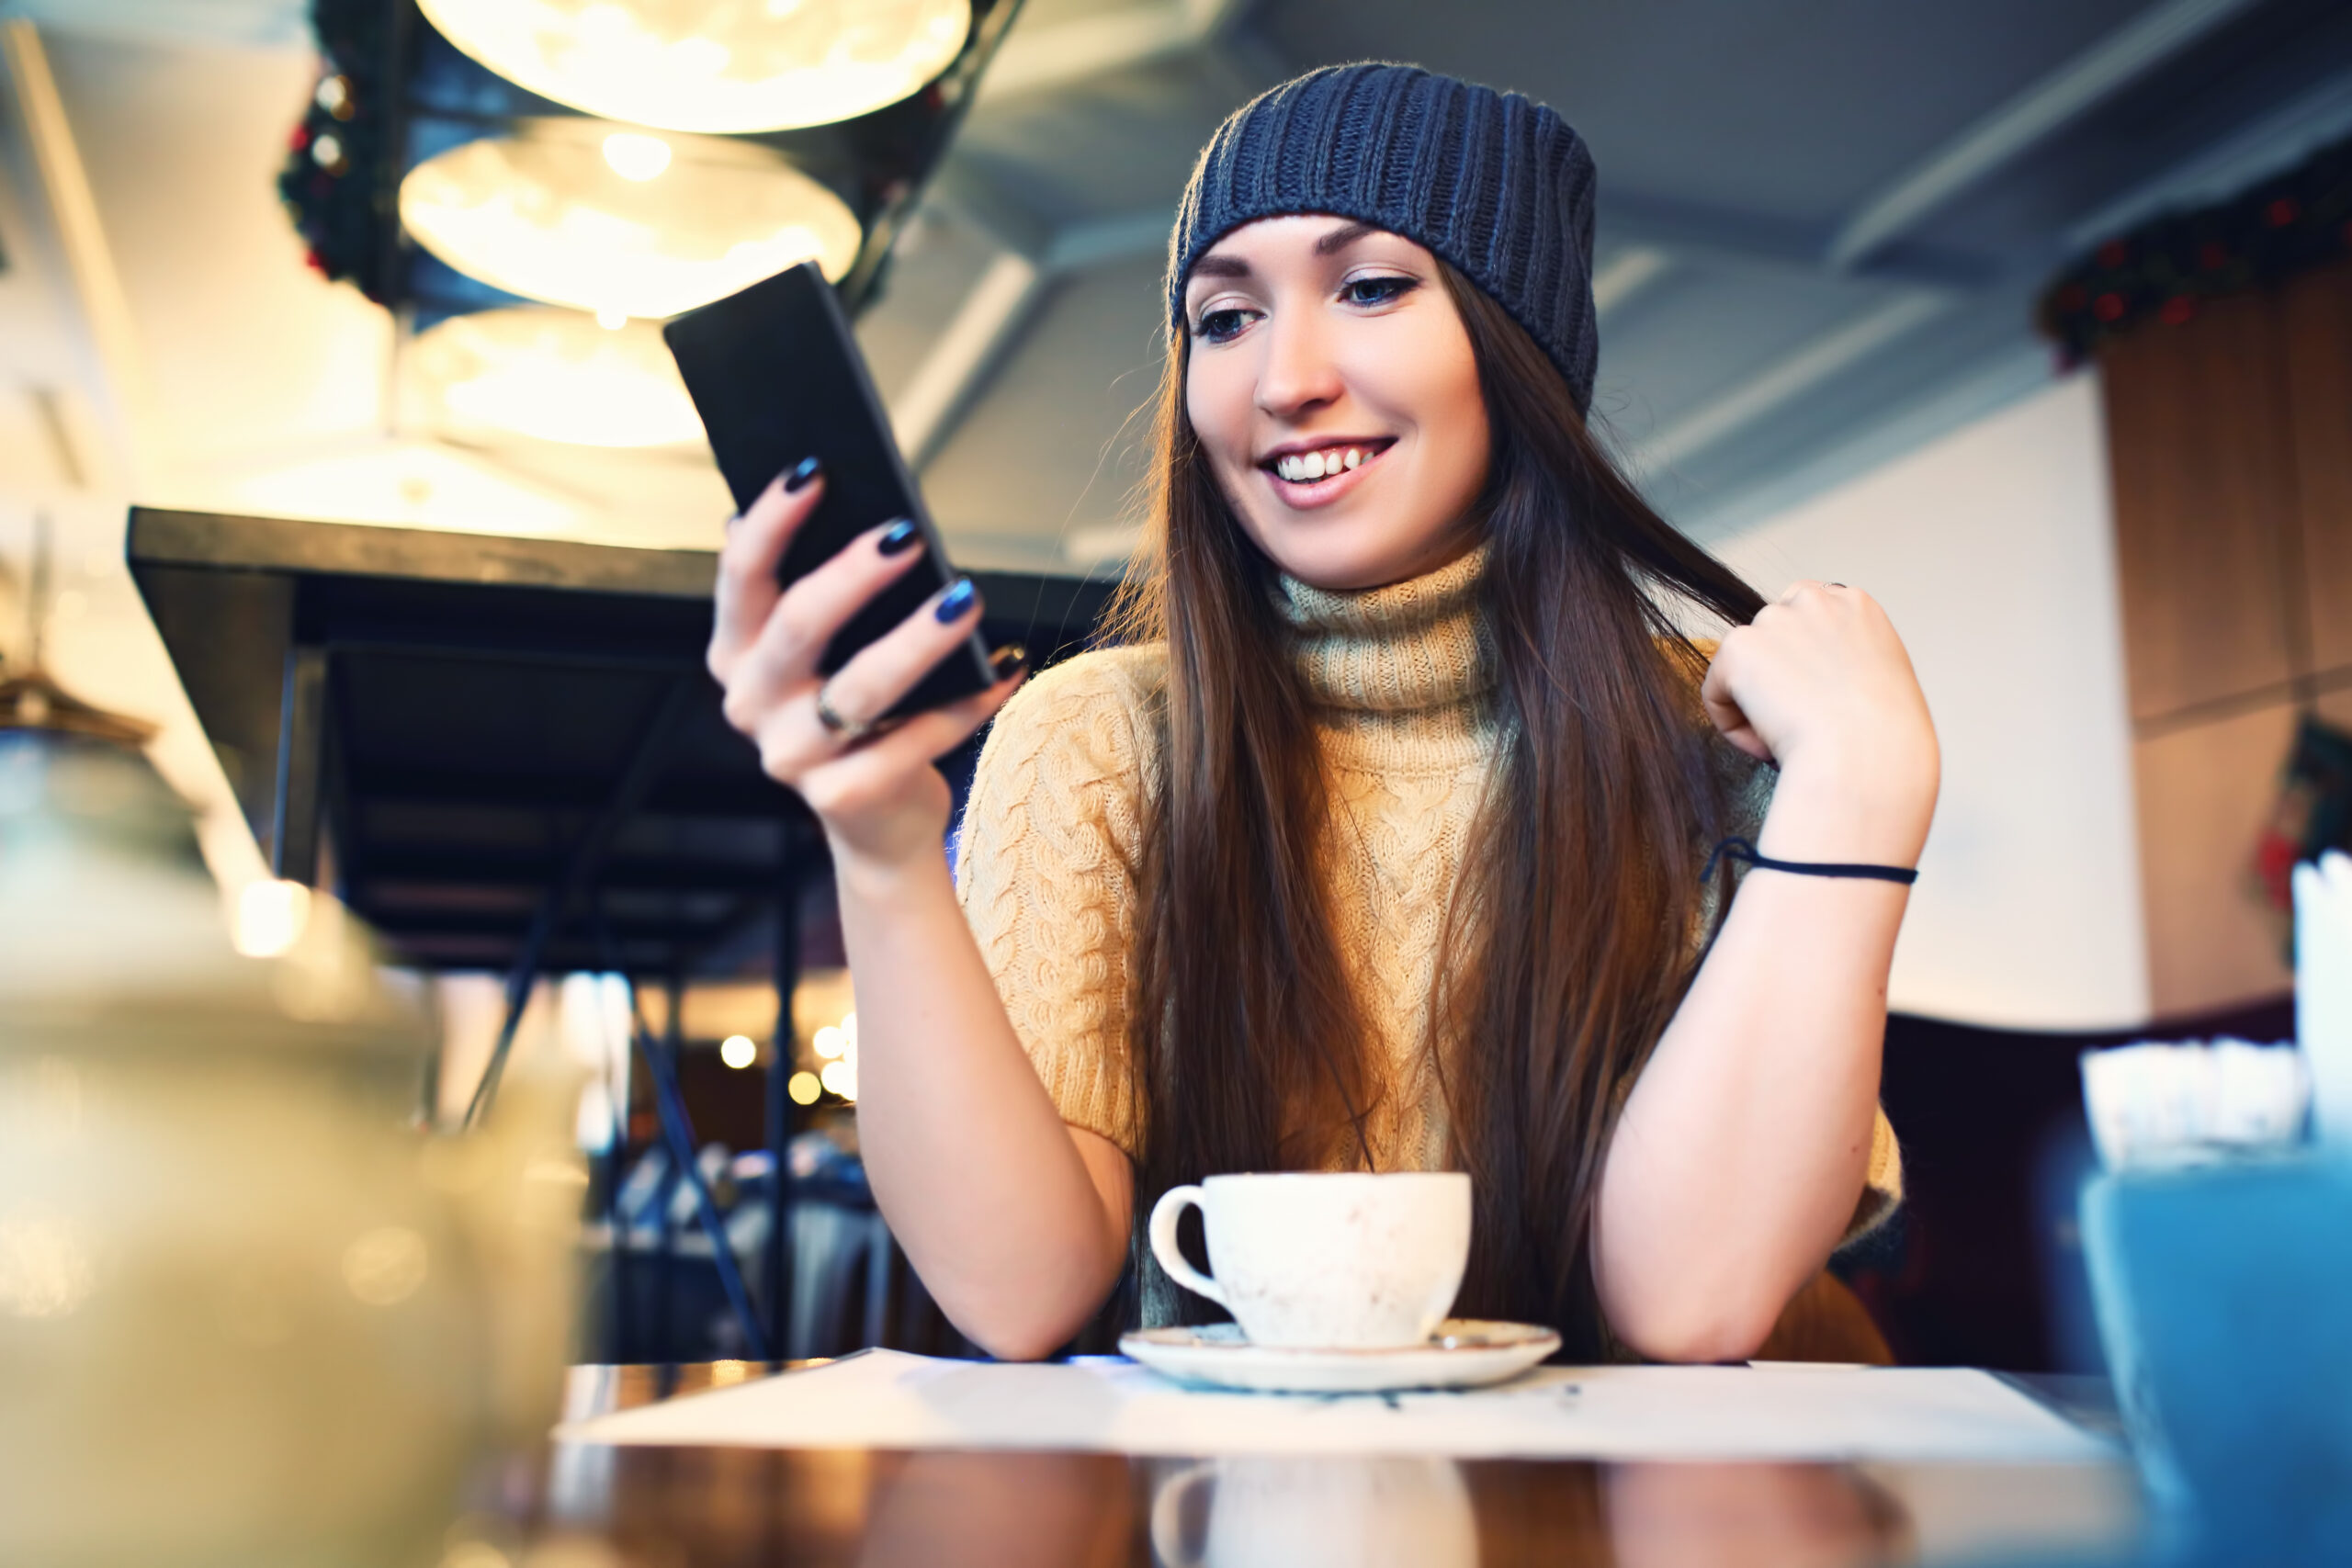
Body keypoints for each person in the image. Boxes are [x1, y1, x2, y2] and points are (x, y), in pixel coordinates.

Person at [707, 63, 1939, 1363]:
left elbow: (1687, 1308)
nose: (1282, 379)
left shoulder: (1716, 735)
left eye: (1368, 288)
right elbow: (1026, 1298)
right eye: (1224, 318)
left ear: (1516, 348)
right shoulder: (1101, 738)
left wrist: (1862, 789)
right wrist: (885, 853)